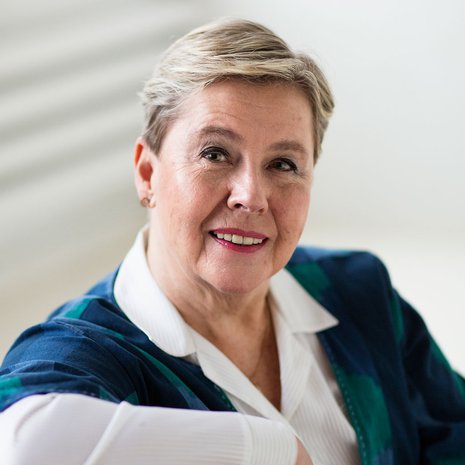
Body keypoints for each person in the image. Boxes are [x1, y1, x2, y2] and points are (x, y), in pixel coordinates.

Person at [0, 17, 464, 465]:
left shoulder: (358, 292)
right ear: (147, 173)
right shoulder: (85, 351)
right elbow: (20, 445)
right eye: (215, 153)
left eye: (283, 164)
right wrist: (271, 450)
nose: (251, 196)